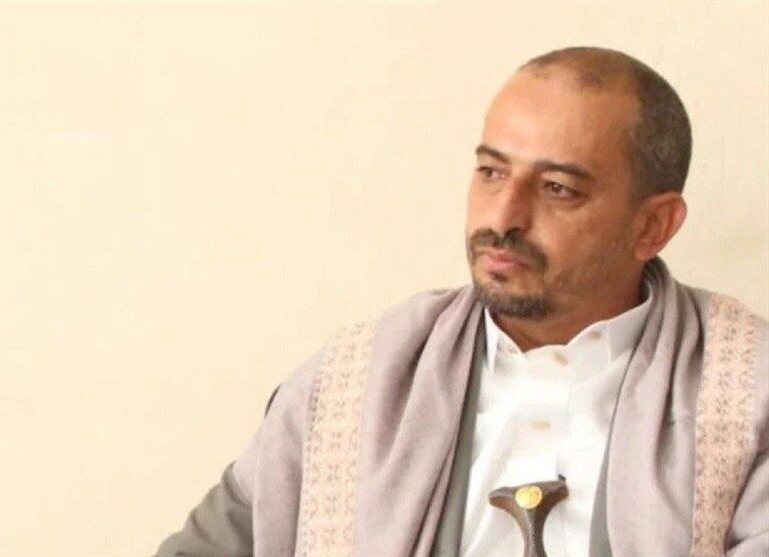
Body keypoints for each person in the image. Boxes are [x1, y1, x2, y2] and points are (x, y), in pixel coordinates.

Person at [156, 47, 768, 557]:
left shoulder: (749, 395)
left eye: (557, 188)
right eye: (492, 173)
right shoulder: (351, 384)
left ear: (653, 226)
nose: (504, 217)